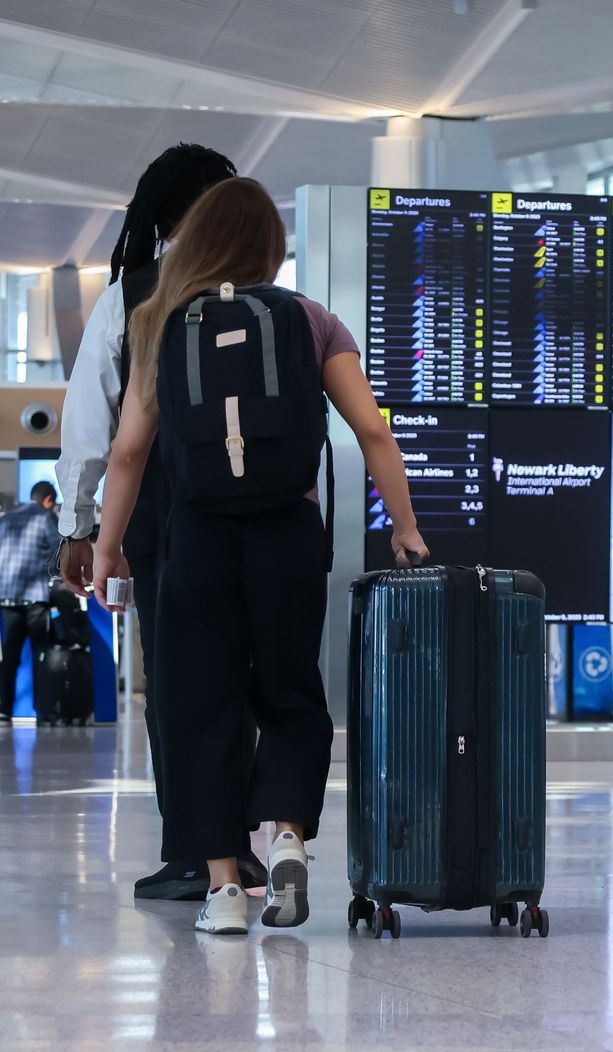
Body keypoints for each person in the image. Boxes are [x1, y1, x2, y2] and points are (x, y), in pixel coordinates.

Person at [91, 177, 428, 935]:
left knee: (202, 704)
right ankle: (287, 837)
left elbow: (128, 454)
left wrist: (108, 548)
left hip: (199, 537)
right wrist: (404, 526)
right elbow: (371, 431)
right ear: (271, 245)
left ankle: (223, 893)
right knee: (290, 691)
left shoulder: (158, 321)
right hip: (287, 531)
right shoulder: (308, 318)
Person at [53, 143, 248, 899]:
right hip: (257, 519)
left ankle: (195, 854)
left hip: (165, 518)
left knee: (174, 684)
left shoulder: (135, 293)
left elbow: (90, 425)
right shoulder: (268, 294)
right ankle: (240, 850)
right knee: (240, 677)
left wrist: (82, 531)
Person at [0, 481, 64, 720]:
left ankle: (4, 708)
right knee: (41, 653)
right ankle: (42, 708)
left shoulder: (6, 518)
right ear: (48, 500)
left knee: (10, 654)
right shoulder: (45, 518)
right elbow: (57, 553)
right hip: (35, 597)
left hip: (7, 595)